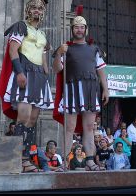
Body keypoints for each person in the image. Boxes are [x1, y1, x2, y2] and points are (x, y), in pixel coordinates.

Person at [0, 0, 55, 172]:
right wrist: (19, 72)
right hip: (25, 72)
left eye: (40, 9)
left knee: (33, 119)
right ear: (28, 11)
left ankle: (27, 159)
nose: (37, 11)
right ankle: (17, 158)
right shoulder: (21, 26)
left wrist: (48, 70)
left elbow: (44, 57)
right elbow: (13, 50)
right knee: (22, 116)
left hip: (39, 76)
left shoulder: (43, 34)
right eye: (34, 8)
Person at [52, 11, 109, 171]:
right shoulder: (65, 48)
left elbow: (101, 71)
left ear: (86, 29)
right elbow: (57, 69)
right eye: (76, 27)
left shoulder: (94, 49)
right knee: (69, 127)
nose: (79, 30)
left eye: (81, 27)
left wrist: (106, 89)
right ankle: (65, 162)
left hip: (90, 89)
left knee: (89, 127)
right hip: (71, 89)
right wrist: (58, 54)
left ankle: (90, 161)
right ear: (72, 30)